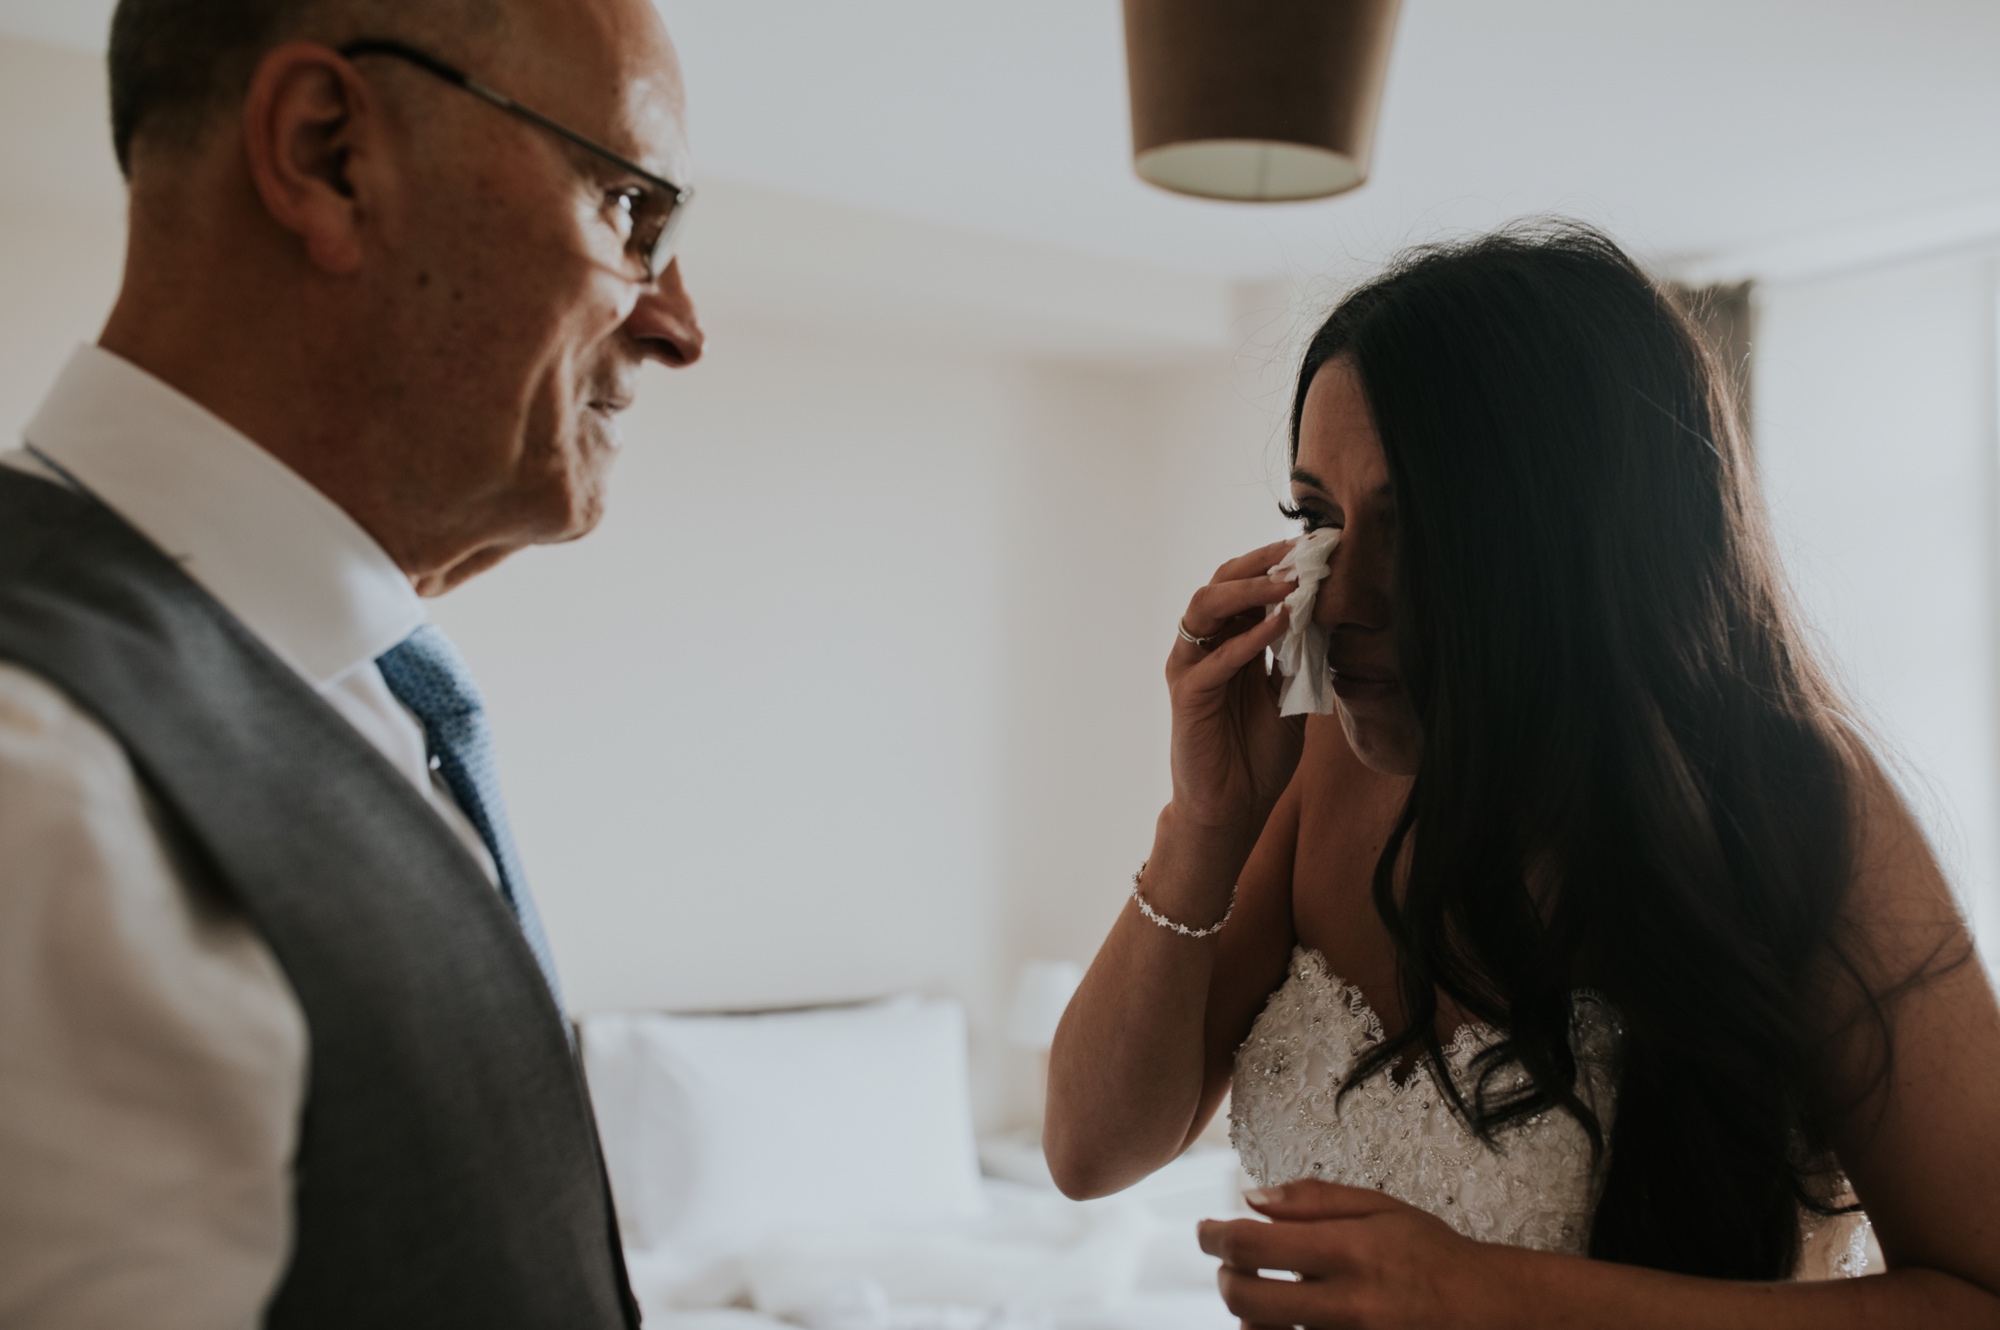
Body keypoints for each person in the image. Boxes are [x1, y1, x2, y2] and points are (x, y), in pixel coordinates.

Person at [1045, 225, 2000, 1326]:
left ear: (1571, 540)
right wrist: (1203, 824)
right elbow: (1087, 1152)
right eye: (1317, 519)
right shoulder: (1313, 770)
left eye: (1414, 528)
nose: (1339, 598)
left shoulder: (1793, 807)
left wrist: (1497, 1297)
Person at [0, 0, 703, 1324]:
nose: (677, 325)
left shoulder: (365, 691)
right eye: (626, 207)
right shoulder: (40, 789)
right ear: (330, 154)